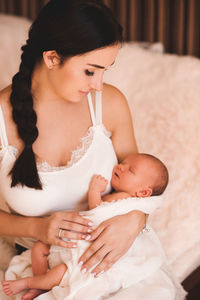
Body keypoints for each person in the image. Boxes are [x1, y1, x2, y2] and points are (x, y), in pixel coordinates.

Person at [0, 1, 147, 300]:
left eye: (105, 71)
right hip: (43, 268)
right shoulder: (1, 119)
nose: (99, 85)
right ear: (52, 58)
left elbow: (142, 183)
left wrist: (136, 220)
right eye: (90, 71)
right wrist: (37, 228)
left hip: (119, 260)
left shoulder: (111, 105)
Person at [1, 153, 169, 298]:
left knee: (58, 270)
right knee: (39, 249)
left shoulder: (123, 199)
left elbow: (97, 213)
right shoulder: (123, 199)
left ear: (143, 193)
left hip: (87, 248)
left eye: (130, 170)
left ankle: (32, 282)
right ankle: (41, 284)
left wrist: (94, 192)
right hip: (75, 234)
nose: (121, 167)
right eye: (123, 162)